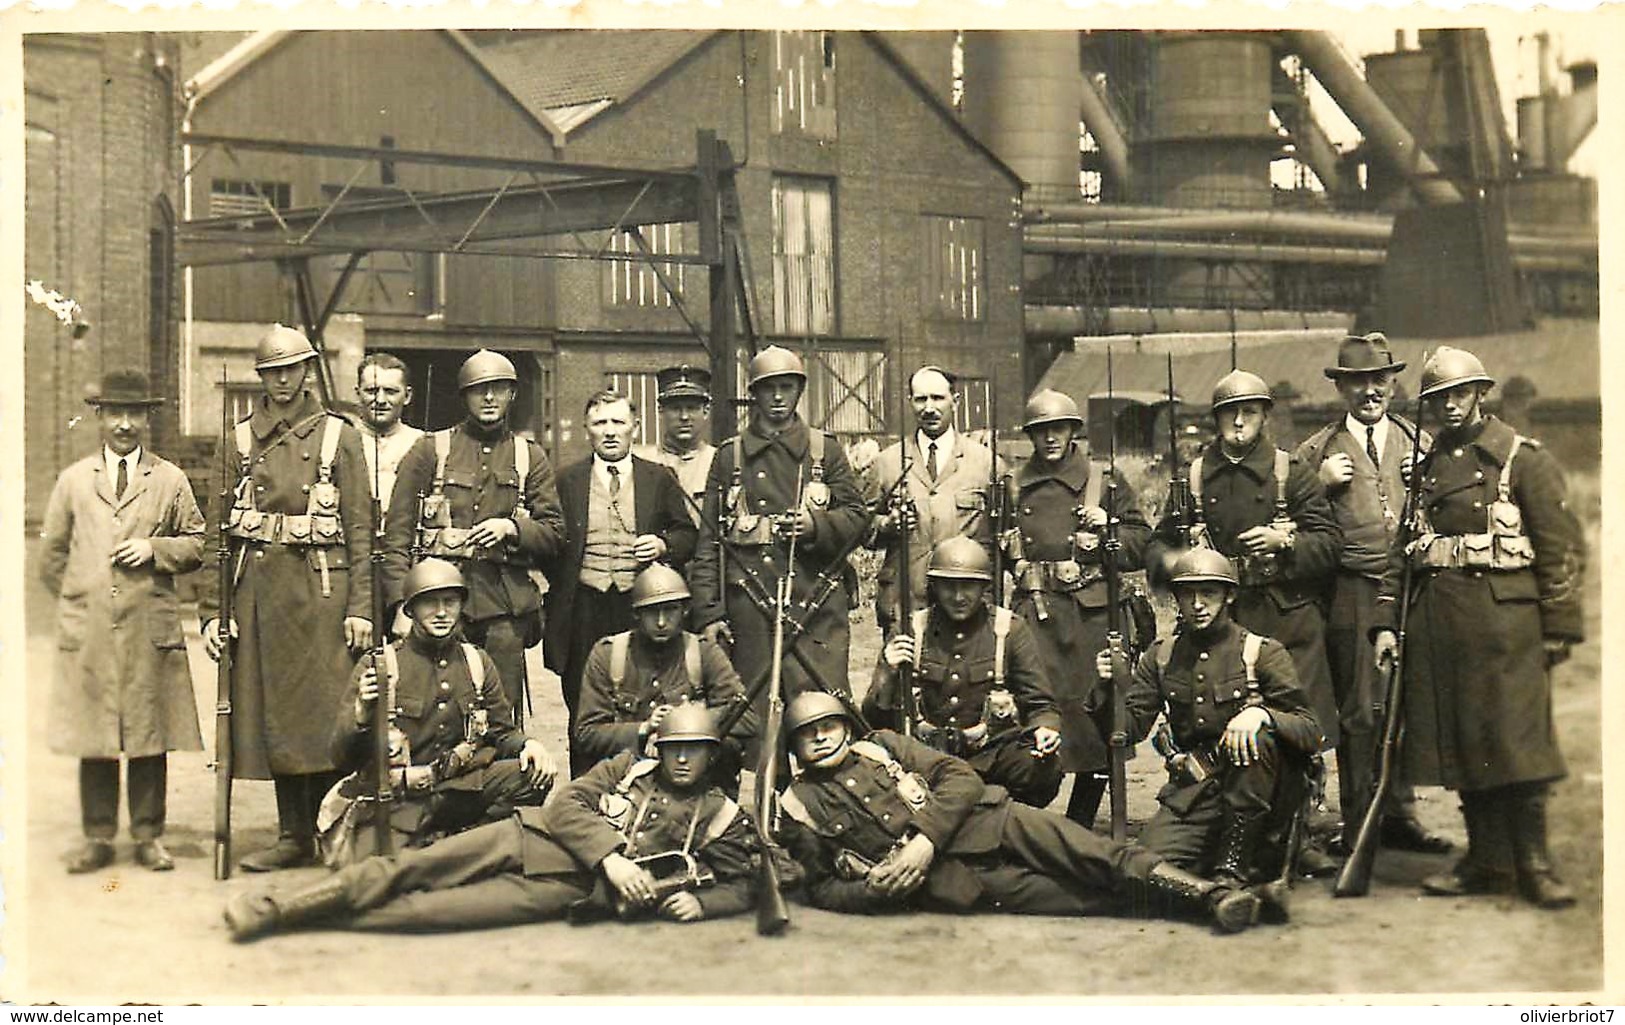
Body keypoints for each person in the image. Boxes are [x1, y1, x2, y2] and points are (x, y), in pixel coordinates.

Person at [224, 703, 759, 938]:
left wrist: (705, 902)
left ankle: (310, 919)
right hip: (526, 837)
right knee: (408, 870)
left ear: (712, 756)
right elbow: (566, 804)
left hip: (562, 891)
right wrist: (614, 859)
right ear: (659, 749)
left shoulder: (721, 816)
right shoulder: (626, 767)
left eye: (695, 750)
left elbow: (762, 877)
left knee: (430, 914)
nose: (682, 759)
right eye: (674, 749)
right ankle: (277, 909)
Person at [1370, 347, 1585, 908]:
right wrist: (1386, 625)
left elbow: (1562, 550)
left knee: (1519, 743)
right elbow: (1403, 551)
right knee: (1465, 743)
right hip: (1442, 627)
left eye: (1458, 394)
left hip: (1508, 627)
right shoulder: (1426, 467)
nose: (1448, 406)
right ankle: (1487, 860)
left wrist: (1559, 627)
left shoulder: (1522, 458)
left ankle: (1533, 864)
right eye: (1437, 398)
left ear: (1480, 394)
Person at [775, 692, 1261, 932]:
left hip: (995, 820)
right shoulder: (799, 806)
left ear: (846, 725)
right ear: (794, 745)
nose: (819, 737)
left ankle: (1213, 895)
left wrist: (924, 841)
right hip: (958, 880)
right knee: (1084, 900)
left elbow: (961, 778)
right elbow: (819, 887)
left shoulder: (881, 746)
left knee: (1100, 857)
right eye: (806, 733)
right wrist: (871, 891)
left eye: (828, 726)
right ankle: (1212, 904)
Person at [201, 325, 375, 872]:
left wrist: (362, 608)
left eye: (290, 369)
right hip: (260, 593)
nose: (280, 380)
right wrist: (211, 611)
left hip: (324, 589)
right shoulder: (237, 439)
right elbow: (215, 536)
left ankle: (329, 829)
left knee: (326, 712)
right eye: (271, 372)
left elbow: (362, 531)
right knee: (274, 713)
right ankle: (291, 833)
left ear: (307, 371)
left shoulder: (338, 436)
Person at [40, 370, 206, 873]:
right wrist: (82, 601)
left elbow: (198, 543)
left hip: (146, 627)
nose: (125, 424)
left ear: (149, 418)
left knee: (147, 733)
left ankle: (149, 836)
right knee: (96, 735)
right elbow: (51, 556)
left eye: (135, 414)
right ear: (100, 417)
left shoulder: (170, 479)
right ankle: (97, 837)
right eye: (116, 413)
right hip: (90, 627)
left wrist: (154, 549)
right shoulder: (73, 480)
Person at [1293, 333, 1452, 856]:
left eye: (1378, 380)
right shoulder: (1315, 452)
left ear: (1392, 383)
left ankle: (1401, 816)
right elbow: (1294, 522)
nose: (1369, 391)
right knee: (1359, 710)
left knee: (1406, 703)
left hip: (1413, 588)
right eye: (1357, 382)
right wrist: (1318, 484)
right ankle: (1360, 822)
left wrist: (1426, 483)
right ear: (1341, 388)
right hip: (1351, 591)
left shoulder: (1419, 443)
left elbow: (1449, 510)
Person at [1098, 549, 1322, 917]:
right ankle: (1238, 897)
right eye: (1187, 595)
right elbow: (1130, 731)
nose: (1197, 604)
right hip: (1197, 793)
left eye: (1209, 594)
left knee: (1255, 736)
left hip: (1265, 798)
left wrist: (1262, 714)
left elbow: (1310, 731)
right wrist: (1110, 688)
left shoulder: (1261, 652)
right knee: (1143, 871)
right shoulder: (1163, 656)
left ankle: (1231, 872)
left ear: (1229, 596)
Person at [1147, 370, 1342, 758]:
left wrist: (1284, 541)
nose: (1239, 422)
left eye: (1249, 412)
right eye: (1230, 413)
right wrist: (1174, 561)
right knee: (1224, 722)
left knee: (1290, 725)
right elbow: (1157, 545)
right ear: (1216, 419)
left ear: (1265, 416)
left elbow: (1329, 544)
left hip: (1286, 619)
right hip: (1222, 621)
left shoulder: (1291, 472)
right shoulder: (1196, 477)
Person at [688, 346, 869, 757]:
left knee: (822, 716)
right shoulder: (729, 457)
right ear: (754, 393)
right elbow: (709, 543)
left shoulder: (826, 451)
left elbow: (858, 518)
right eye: (767, 389)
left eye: (786, 387)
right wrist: (710, 613)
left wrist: (816, 527)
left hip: (816, 612)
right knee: (752, 725)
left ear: (800, 390)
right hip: (749, 614)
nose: (777, 397)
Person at [323, 558, 556, 856]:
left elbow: (501, 731)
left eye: (450, 602)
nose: (442, 612)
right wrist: (361, 714)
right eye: (430, 603)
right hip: (400, 801)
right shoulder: (381, 665)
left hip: (459, 790)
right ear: (410, 610)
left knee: (531, 775)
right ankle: (452, 851)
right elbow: (341, 756)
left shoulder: (476, 662)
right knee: (383, 877)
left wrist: (529, 744)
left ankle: (464, 844)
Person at [384, 349, 566, 728]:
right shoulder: (431, 450)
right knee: (435, 708)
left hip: (503, 609)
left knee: (499, 714)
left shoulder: (528, 456)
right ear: (464, 396)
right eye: (479, 390)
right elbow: (398, 536)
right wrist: (401, 607)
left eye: (498, 389)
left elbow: (553, 532)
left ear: (512, 395)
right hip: (438, 603)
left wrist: (513, 529)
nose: (488, 398)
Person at [1001, 388, 1149, 827]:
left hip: (1091, 617)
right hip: (1036, 613)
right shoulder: (1012, 485)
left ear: (1073, 432)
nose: (1051, 439)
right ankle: (1033, 820)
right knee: (1037, 710)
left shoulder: (1104, 480)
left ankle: (1082, 818)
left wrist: (1110, 531)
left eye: (1059, 429)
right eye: (1042, 431)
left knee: (1095, 719)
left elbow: (1142, 544)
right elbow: (994, 553)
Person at [544, 391, 696, 772]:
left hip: (638, 606)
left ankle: (642, 790)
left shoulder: (658, 478)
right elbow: (550, 545)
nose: (609, 432)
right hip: (583, 610)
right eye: (600, 423)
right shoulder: (566, 479)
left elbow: (688, 535)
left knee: (643, 699)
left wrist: (663, 544)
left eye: (618, 422)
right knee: (585, 706)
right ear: (586, 430)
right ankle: (586, 795)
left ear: (635, 427)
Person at [862, 537, 1062, 807]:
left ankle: (1002, 818)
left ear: (983, 588)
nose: (958, 597)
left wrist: (1045, 729)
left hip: (989, 755)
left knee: (1039, 767)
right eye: (948, 587)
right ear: (934, 587)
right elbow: (875, 719)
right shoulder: (911, 629)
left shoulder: (1010, 630)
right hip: (926, 756)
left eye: (968, 586)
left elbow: (1040, 703)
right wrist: (887, 671)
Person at [573, 564, 755, 778]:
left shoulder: (703, 651)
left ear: (684, 610)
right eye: (651, 612)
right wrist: (644, 728)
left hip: (690, 773)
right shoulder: (608, 654)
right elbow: (586, 732)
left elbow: (747, 718)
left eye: (670, 610)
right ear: (636, 614)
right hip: (628, 769)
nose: (661, 622)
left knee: (729, 748)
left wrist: (684, 722)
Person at [863, 365, 1001, 634]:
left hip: (966, 602)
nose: (929, 408)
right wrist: (887, 525)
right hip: (905, 602)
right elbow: (862, 528)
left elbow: (1002, 537)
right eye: (920, 399)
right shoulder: (887, 462)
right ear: (910, 403)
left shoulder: (986, 464)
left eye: (937, 398)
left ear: (955, 401)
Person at [632, 364, 717, 525]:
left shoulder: (717, 460)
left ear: (706, 411)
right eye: (675, 409)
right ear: (661, 411)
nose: (684, 416)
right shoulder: (641, 460)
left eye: (692, 408)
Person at [354, 352, 425, 518]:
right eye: (371, 391)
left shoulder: (422, 443)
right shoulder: (341, 441)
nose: (380, 399)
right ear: (358, 393)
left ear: (407, 396)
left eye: (391, 391)